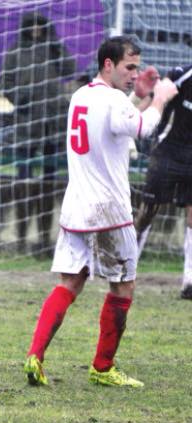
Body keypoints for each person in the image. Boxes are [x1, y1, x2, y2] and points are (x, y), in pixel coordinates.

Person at [23, 36, 178, 387]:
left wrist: (138, 94)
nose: (133, 72)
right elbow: (143, 128)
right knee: (123, 287)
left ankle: (35, 355)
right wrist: (159, 98)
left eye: (136, 67)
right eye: (129, 67)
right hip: (110, 209)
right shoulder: (112, 100)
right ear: (108, 64)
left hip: (77, 206)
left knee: (70, 282)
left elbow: (115, 123)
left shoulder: (83, 95)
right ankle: (103, 367)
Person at [2, 12, 75, 255]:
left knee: (50, 180)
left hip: (53, 122)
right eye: (31, 25)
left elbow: (69, 69)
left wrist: (57, 47)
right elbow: (7, 82)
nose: (35, 29)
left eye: (39, 25)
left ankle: (45, 238)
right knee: (23, 178)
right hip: (26, 123)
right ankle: (21, 237)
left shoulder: (54, 49)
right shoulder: (15, 51)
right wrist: (19, 100)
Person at [134, 64, 192, 300]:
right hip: (167, 151)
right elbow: (159, 93)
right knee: (147, 212)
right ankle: (126, 269)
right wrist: (141, 108)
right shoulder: (183, 74)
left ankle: (189, 281)